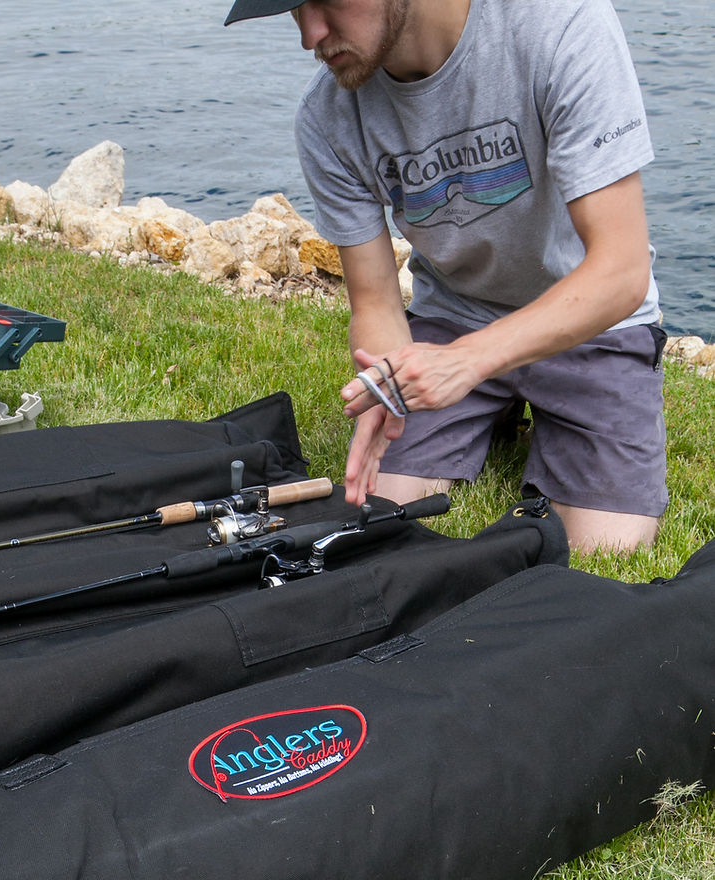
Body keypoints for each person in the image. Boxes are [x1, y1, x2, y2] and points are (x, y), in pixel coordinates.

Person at [223, 0, 668, 551]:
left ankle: (509, 405)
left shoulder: (561, 23)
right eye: (296, 9)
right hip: (454, 317)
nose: (310, 34)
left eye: (327, 0)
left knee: (606, 546)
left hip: (590, 323)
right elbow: (376, 302)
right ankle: (494, 408)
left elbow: (622, 271)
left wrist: (470, 362)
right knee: (387, 512)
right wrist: (387, 384)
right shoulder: (328, 115)